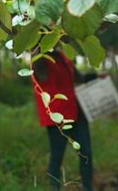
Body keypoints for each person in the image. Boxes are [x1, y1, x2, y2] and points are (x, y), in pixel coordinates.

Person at [32, 50, 94, 191]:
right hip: (57, 117)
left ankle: (88, 188)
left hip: (77, 113)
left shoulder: (63, 55)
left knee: (86, 153)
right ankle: (55, 188)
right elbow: (39, 74)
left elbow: (78, 77)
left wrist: (96, 76)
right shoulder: (40, 60)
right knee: (57, 156)